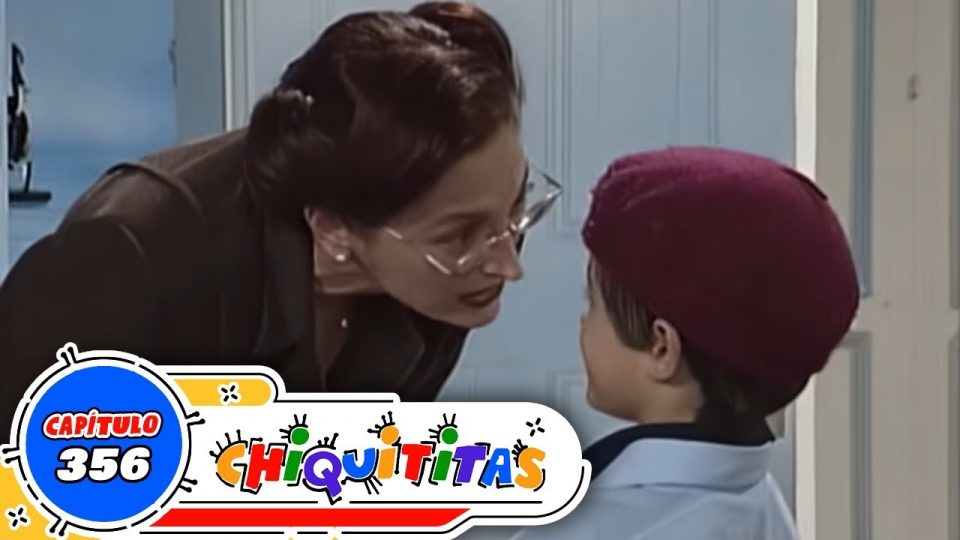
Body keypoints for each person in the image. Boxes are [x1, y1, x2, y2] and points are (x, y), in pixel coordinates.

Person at [0, 2, 562, 438]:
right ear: (333, 229)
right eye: (461, 235)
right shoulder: (128, 256)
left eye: (515, 208)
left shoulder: (450, 276)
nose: (508, 264)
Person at [511, 147, 859, 539]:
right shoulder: (756, 496)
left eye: (591, 302)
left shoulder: (611, 529)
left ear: (661, 347)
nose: (582, 321)